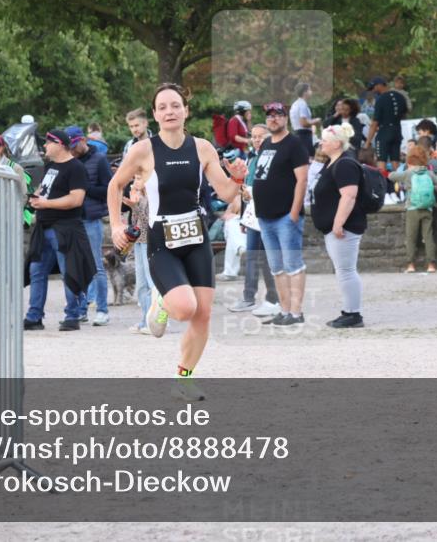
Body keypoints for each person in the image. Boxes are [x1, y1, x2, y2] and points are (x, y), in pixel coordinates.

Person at [108, 83, 247, 402]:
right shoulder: (143, 151)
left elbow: (226, 194)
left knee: (203, 314)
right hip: (161, 241)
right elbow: (115, 186)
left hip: (196, 238)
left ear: (186, 110)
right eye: (163, 107)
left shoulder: (202, 148)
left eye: (175, 105)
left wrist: (238, 179)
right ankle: (162, 302)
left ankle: (183, 378)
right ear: (155, 115)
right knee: (185, 309)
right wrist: (117, 225)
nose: (170, 111)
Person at [24, 129, 95, 332]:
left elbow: (76, 199)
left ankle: (72, 315)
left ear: (60, 144)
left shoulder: (76, 168)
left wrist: (45, 204)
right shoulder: (51, 166)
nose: (45, 146)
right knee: (36, 271)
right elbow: (43, 190)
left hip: (65, 228)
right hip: (44, 227)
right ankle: (34, 316)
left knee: (69, 272)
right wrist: (34, 199)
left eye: (48, 143)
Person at [251, 101, 310, 326]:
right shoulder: (266, 143)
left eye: (278, 114)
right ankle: (284, 310)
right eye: (269, 115)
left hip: (286, 216)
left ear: (286, 117)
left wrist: (294, 212)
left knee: (293, 264)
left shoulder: (294, 144)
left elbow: (302, 179)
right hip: (265, 217)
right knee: (276, 267)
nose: (273, 118)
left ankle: (296, 312)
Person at [312, 123, 366, 328]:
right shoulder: (333, 163)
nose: (321, 143)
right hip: (335, 227)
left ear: (336, 144)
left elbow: (349, 195)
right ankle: (349, 310)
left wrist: (338, 222)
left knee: (346, 270)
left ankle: (353, 313)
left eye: (325, 140)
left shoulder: (344, 164)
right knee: (343, 269)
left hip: (345, 227)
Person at [228, 124, 281, 317]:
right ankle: (248, 297)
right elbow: (246, 190)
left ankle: (273, 298)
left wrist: (251, 194)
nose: (257, 140)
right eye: (254, 136)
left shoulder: (274, 157)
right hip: (251, 216)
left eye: (261, 136)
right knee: (251, 257)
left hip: (267, 214)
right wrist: (243, 218)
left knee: (267, 258)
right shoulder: (251, 159)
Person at [67, 125, 113, 326]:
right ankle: (82, 308)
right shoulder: (70, 160)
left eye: (74, 145)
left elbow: (108, 189)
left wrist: (86, 189)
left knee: (96, 266)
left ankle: (102, 310)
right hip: (74, 219)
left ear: (83, 140)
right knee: (78, 266)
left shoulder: (99, 159)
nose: (72, 150)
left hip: (91, 219)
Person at [389, 147, 437, 273]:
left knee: (411, 237)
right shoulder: (429, 173)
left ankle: (411, 265)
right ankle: (431, 265)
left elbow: (392, 176)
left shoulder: (408, 173)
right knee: (428, 236)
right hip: (428, 208)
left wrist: (405, 170)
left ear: (409, 160)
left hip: (412, 208)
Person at [123, 174, 156, 334]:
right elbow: (136, 221)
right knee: (141, 283)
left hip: (150, 242)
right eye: (134, 178)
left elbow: (149, 221)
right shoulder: (139, 196)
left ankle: (156, 321)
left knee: (152, 283)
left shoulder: (152, 198)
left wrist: (134, 206)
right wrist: (132, 206)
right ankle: (145, 319)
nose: (134, 182)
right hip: (139, 241)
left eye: (138, 178)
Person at [363, 77, 409, 166]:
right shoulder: (400, 96)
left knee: (381, 159)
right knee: (395, 159)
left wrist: (367, 142)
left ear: (380, 85)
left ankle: (382, 179)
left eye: (374, 88)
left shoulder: (381, 99)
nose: (373, 91)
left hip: (384, 132)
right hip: (397, 130)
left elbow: (374, 123)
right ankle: (397, 180)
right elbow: (405, 113)